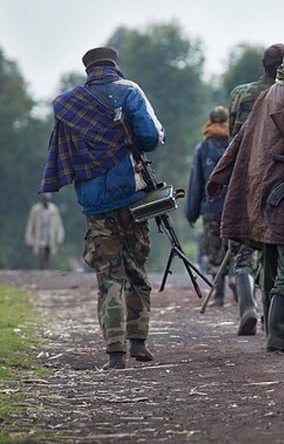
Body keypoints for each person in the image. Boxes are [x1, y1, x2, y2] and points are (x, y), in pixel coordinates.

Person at [40, 47, 166, 369]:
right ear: (113, 66)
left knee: (109, 276)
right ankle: (138, 341)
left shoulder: (68, 105)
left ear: (88, 71)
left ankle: (115, 352)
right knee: (136, 269)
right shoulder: (129, 91)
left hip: (95, 205)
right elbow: (151, 137)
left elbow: (63, 153)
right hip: (132, 198)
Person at [208, 36, 284, 354]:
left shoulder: (272, 91)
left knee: (272, 260)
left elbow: (240, 138)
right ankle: (277, 332)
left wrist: (219, 174)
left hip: (264, 191)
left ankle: (275, 332)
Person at [224, 42, 284, 336]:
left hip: (243, 176)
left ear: (263, 64)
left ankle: (247, 306)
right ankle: (272, 318)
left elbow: (232, 138)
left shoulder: (239, 93)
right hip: (276, 179)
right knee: (273, 248)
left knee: (242, 249)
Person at [185, 106, 230, 307]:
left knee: (214, 252)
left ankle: (219, 294)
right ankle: (241, 287)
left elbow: (196, 183)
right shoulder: (234, 143)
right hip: (233, 207)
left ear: (210, 121)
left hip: (211, 208)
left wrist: (191, 213)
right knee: (234, 247)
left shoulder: (203, 148)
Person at [25, 193, 65, 270]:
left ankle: (44, 272)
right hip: (39, 235)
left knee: (47, 255)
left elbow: (58, 225)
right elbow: (31, 225)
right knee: (41, 254)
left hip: (50, 236)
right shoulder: (36, 210)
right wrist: (29, 238)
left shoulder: (54, 210)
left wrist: (60, 237)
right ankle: (42, 269)